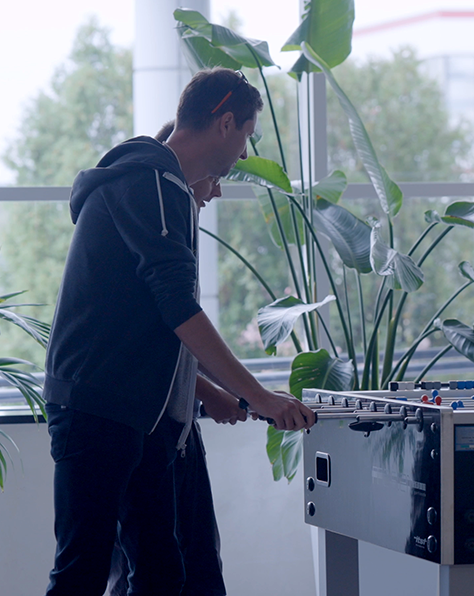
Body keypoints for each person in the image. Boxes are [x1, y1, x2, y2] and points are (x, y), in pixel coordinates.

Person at [44, 67, 316, 595]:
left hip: (139, 416)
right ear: (225, 121)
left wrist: (210, 393)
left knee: (164, 574)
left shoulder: (160, 184)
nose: (242, 155)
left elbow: (149, 322)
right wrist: (256, 395)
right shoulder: (151, 181)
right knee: (81, 572)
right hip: (99, 410)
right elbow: (178, 309)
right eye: (244, 137)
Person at [106, 159, 245, 596]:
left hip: (179, 431)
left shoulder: (179, 234)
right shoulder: (153, 221)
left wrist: (216, 393)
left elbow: (179, 342)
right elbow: (170, 327)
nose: (217, 192)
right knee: (148, 573)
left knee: (195, 569)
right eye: (215, 178)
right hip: (144, 430)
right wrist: (244, 395)